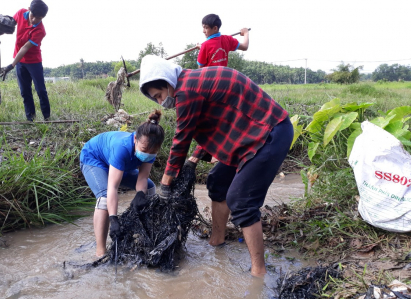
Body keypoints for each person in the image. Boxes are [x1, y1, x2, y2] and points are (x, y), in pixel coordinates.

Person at [139, 55, 293, 277]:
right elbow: (211, 122)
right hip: (247, 134)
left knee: (241, 201)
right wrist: (193, 161)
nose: (161, 102)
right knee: (218, 182)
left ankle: (259, 273)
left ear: (167, 81)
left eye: (160, 95)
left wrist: (165, 182)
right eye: (156, 99)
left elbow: (181, 139)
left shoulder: (186, 91)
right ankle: (217, 240)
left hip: (270, 132)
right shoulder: (190, 82)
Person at [80, 110, 165, 258]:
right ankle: (100, 251)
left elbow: (143, 178)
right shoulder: (122, 147)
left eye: (153, 151)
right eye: (144, 150)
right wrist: (114, 218)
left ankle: (146, 233)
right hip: (94, 159)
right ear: (135, 140)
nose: (148, 153)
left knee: (150, 188)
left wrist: (140, 194)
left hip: (119, 165)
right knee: (104, 199)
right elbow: (113, 187)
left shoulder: (150, 149)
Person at [0, 0, 50, 122]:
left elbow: (25, 48)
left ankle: (47, 118)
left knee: (40, 90)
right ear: (29, 9)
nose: (34, 20)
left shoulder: (40, 31)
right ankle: (30, 119)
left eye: (38, 18)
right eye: (33, 16)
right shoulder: (21, 13)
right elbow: (9, 25)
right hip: (20, 62)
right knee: (25, 91)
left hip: (34, 62)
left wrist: (11, 65)